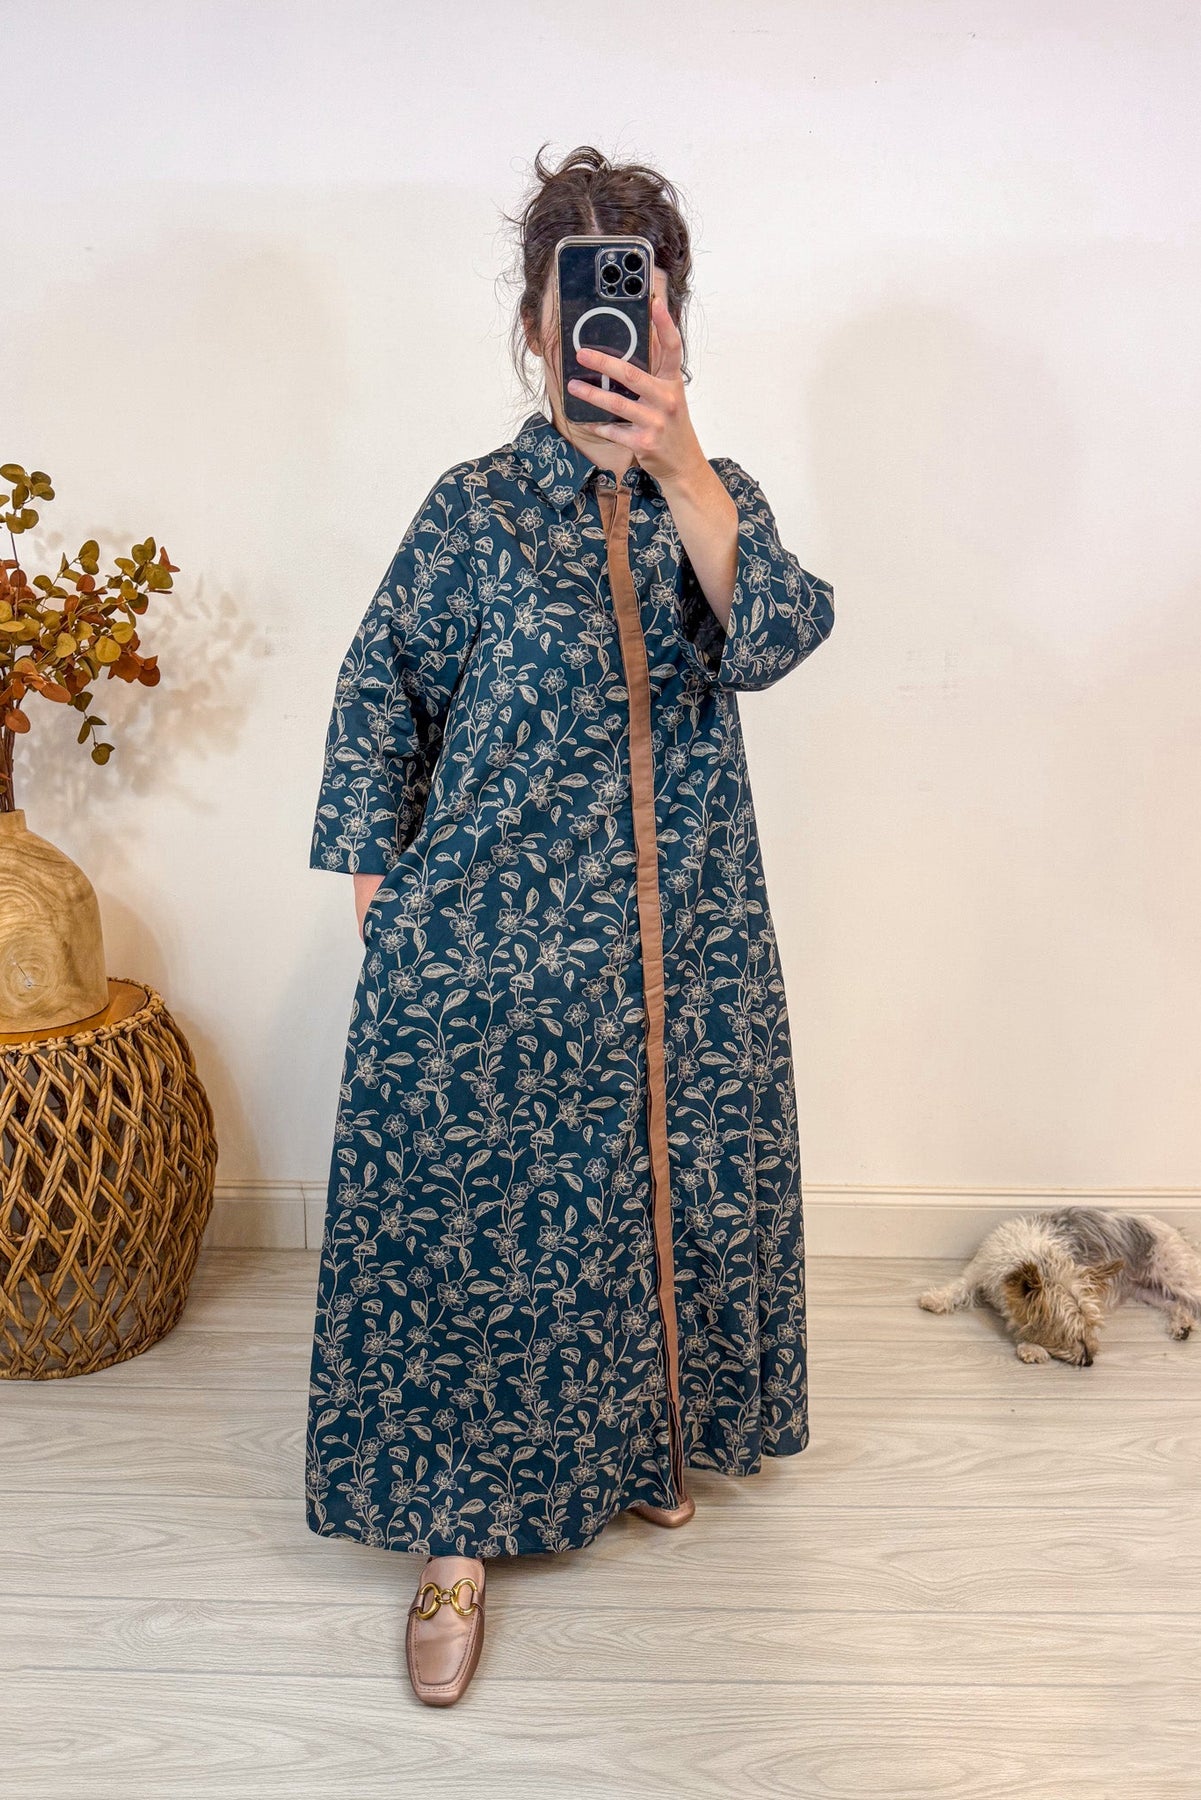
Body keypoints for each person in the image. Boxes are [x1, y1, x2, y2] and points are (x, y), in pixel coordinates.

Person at [306, 143, 835, 1706]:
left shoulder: (713, 501)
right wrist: (375, 872)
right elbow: (379, 686)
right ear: (537, 324)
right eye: (578, 297)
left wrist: (682, 463)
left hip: (680, 945)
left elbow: (777, 636)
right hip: (493, 939)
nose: (605, 327)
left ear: (670, 316)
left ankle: (632, 1455)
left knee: (649, 1206)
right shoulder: (471, 508)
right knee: (477, 1230)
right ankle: (452, 1539)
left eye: (638, 296)